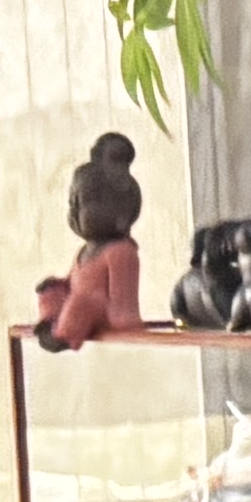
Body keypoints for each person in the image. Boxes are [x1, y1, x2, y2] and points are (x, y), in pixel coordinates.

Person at [32, 131, 147, 345]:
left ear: (121, 214)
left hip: (101, 315)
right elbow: (73, 283)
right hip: (80, 311)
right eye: (73, 203)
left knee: (80, 304)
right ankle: (51, 325)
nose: (76, 211)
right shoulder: (84, 252)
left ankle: (64, 335)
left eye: (85, 202)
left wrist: (100, 310)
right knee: (52, 292)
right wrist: (58, 286)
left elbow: (123, 306)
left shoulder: (121, 252)